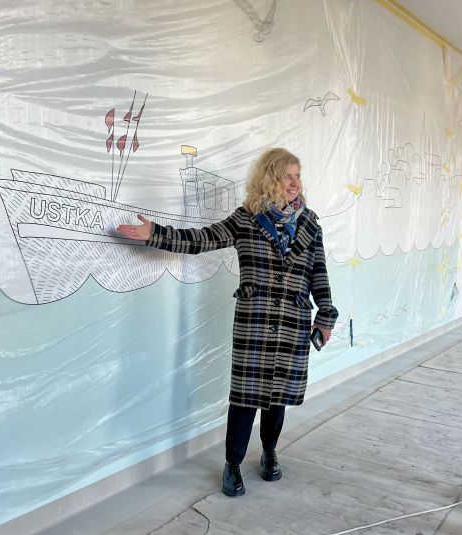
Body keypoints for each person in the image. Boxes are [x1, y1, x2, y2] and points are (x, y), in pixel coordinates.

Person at [118, 148, 338, 497]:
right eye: (288, 175)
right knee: (245, 398)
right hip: (255, 323)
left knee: (277, 398)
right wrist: (155, 234)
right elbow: (202, 239)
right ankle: (232, 464)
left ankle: (269, 452)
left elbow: (319, 274)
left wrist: (325, 315)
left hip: (293, 322)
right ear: (271, 178)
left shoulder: (310, 224)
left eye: (298, 175)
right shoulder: (246, 219)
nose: (295, 182)